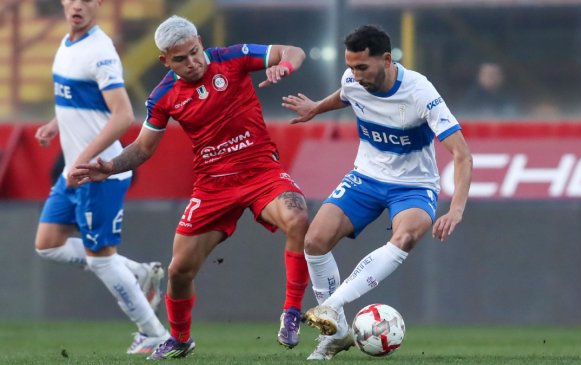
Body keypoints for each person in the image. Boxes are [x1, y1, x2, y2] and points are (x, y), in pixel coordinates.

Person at [72, 15, 311, 360]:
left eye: (195, 52)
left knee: (298, 217)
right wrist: (109, 167)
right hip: (212, 186)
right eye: (180, 59)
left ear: (200, 41)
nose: (192, 63)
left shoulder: (231, 58)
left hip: (261, 172)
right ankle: (180, 339)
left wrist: (284, 67)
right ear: (164, 61)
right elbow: (142, 148)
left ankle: (291, 313)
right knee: (178, 271)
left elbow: (294, 50)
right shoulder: (163, 95)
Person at [281, 25, 473, 360]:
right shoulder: (353, 80)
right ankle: (338, 333)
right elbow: (344, 95)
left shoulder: (419, 92)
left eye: (362, 67)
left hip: (414, 186)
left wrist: (455, 209)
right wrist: (315, 108)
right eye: (351, 67)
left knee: (406, 237)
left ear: (386, 59)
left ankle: (329, 306)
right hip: (366, 177)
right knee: (314, 241)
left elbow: (462, 154)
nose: (354, 74)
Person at [34, 0, 168, 355]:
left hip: (97, 174)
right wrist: (54, 124)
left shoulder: (100, 50)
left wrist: (83, 156)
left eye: (87, 0)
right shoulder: (66, 44)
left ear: (98, 5)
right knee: (48, 244)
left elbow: (123, 115)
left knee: (100, 259)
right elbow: (76, 101)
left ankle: (154, 333)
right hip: (73, 170)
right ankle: (138, 272)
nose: (78, 6)